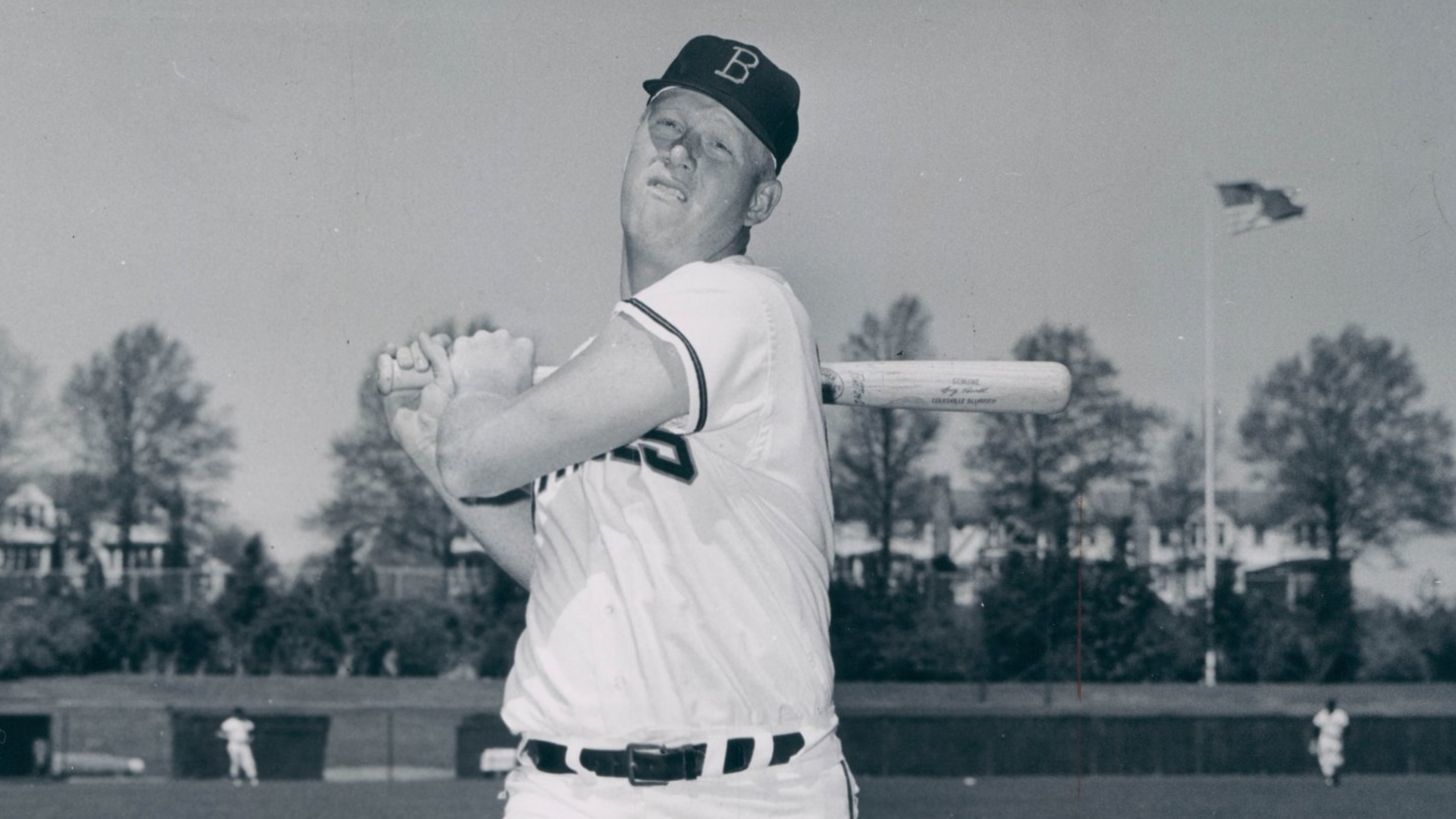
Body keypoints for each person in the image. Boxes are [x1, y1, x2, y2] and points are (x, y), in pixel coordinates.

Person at [382, 34, 858, 819]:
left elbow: (480, 455)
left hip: (741, 794)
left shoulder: (742, 306)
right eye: (667, 126)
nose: (680, 154)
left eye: (717, 146)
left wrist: (483, 397)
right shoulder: (598, 371)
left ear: (759, 201)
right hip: (565, 788)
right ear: (638, 135)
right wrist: (429, 441)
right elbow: (560, 567)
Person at [1311, 698, 1350, 786]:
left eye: (1331, 705)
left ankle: (1333, 775)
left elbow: (1347, 728)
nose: (1330, 707)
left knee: (1338, 760)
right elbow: (1316, 729)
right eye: (1329, 705)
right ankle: (1329, 778)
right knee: (1324, 759)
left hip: (1336, 739)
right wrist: (1314, 741)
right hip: (1324, 738)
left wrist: (1346, 737)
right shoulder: (1321, 714)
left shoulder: (1340, 714)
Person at [217, 707, 259, 787]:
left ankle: (252, 778)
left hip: (245, 745)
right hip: (234, 744)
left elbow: (252, 733)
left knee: (248, 761)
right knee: (235, 762)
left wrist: (251, 738)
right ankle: (236, 779)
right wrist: (228, 737)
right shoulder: (229, 723)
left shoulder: (247, 723)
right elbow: (219, 733)